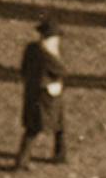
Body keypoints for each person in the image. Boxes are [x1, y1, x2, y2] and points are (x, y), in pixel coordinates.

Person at [12, 17, 66, 169]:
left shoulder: (31, 48)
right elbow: (62, 70)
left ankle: (61, 153)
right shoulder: (48, 53)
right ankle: (21, 162)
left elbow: (23, 70)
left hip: (32, 93)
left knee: (55, 123)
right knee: (37, 128)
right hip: (47, 95)